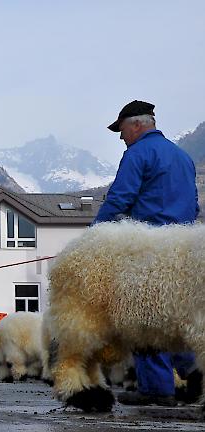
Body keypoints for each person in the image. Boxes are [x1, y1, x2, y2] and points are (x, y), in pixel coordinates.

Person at [94, 100, 201, 406]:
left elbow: (121, 198)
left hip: (147, 250)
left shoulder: (137, 154)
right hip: (182, 248)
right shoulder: (182, 157)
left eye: (122, 129)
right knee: (176, 316)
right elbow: (194, 205)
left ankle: (156, 389)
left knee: (143, 317)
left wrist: (94, 234)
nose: (120, 136)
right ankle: (194, 372)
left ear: (137, 125)